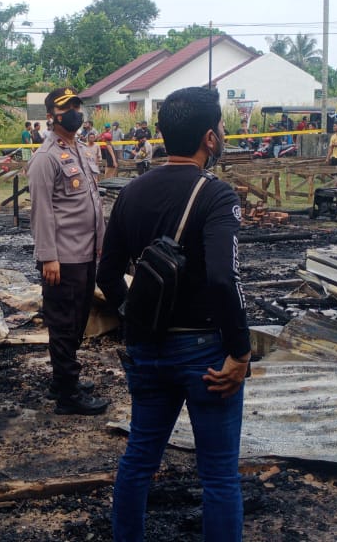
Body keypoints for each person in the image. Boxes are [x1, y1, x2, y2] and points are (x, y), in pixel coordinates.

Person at [97, 86, 250, 542]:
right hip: (206, 354)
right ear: (209, 138)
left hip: (147, 351)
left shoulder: (131, 193)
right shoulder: (216, 195)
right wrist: (240, 352)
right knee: (219, 475)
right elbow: (223, 278)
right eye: (221, 128)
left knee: (139, 460)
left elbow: (107, 274)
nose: (222, 135)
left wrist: (135, 320)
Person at [27, 87, 109, 416]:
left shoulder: (82, 150)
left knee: (77, 321)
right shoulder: (45, 158)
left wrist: (101, 244)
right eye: (67, 108)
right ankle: (68, 395)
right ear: (51, 116)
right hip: (62, 258)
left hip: (85, 252)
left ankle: (62, 380)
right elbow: (42, 211)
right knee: (63, 324)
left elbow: (92, 202)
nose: (75, 112)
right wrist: (48, 256)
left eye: (77, 106)